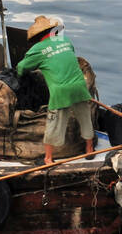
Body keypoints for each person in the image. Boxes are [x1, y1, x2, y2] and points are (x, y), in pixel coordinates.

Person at [15, 15, 94, 165]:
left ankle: (48, 158)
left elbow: (21, 67)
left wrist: (20, 75)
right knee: (85, 118)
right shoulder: (66, 40)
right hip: (79, 86)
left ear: (38, 37)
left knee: (53, 123)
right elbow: (66, 57)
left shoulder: (37, 48)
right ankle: (89, 149)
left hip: (60, 92)